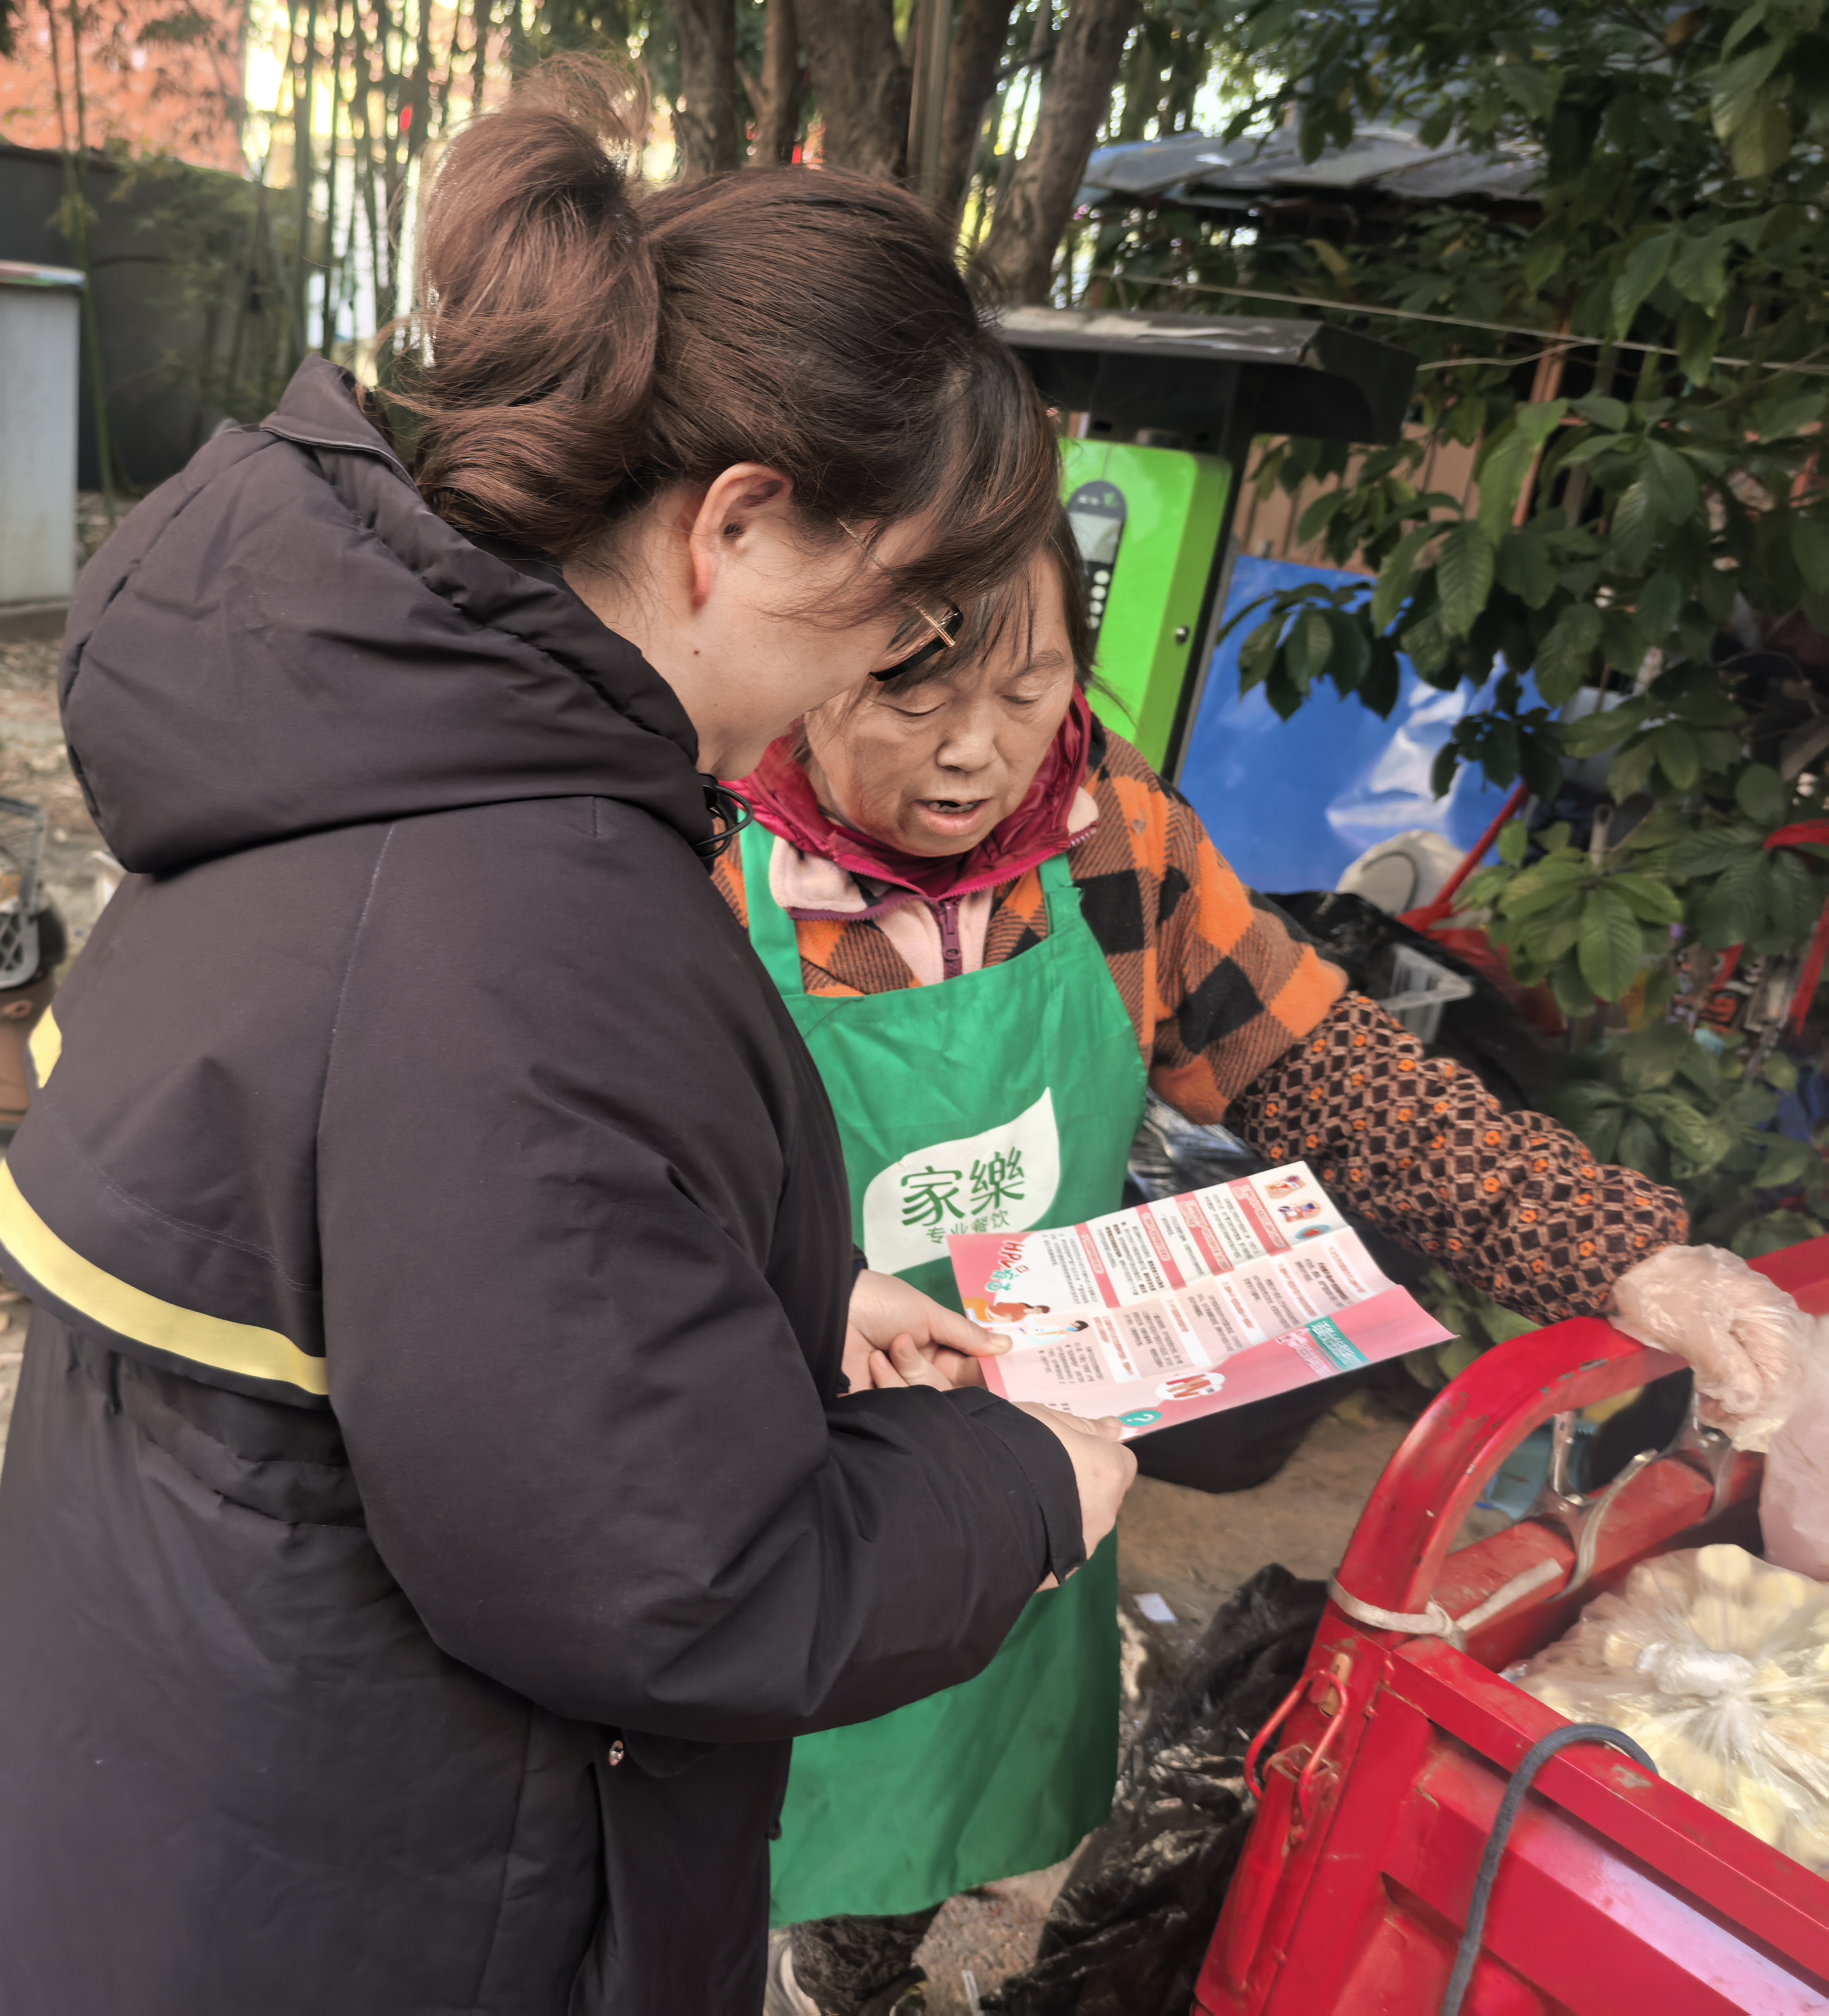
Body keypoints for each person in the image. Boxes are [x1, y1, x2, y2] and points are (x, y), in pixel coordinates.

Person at [0, 64, 1135, 2016]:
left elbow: (433, 1269)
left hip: (168, 1804)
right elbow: (679, 1582)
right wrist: (1023, 1493)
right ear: (737, 527)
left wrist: (772, 1303)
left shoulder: (357, 751)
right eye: (901, 617)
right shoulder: (524, 924)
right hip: (379, 1910)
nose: (886, 674)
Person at [725, 518, 1744, 2016]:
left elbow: (1328, 1068)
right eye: (909, 694)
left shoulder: (1113, 840)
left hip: (1031, 1439)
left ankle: (850, 1973)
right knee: (722, 1791)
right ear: (809, 668)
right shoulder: (703, 858)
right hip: (757, 1449)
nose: (973, 754)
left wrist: (1623, 1253)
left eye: (1027, 691)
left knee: (951, 1744)